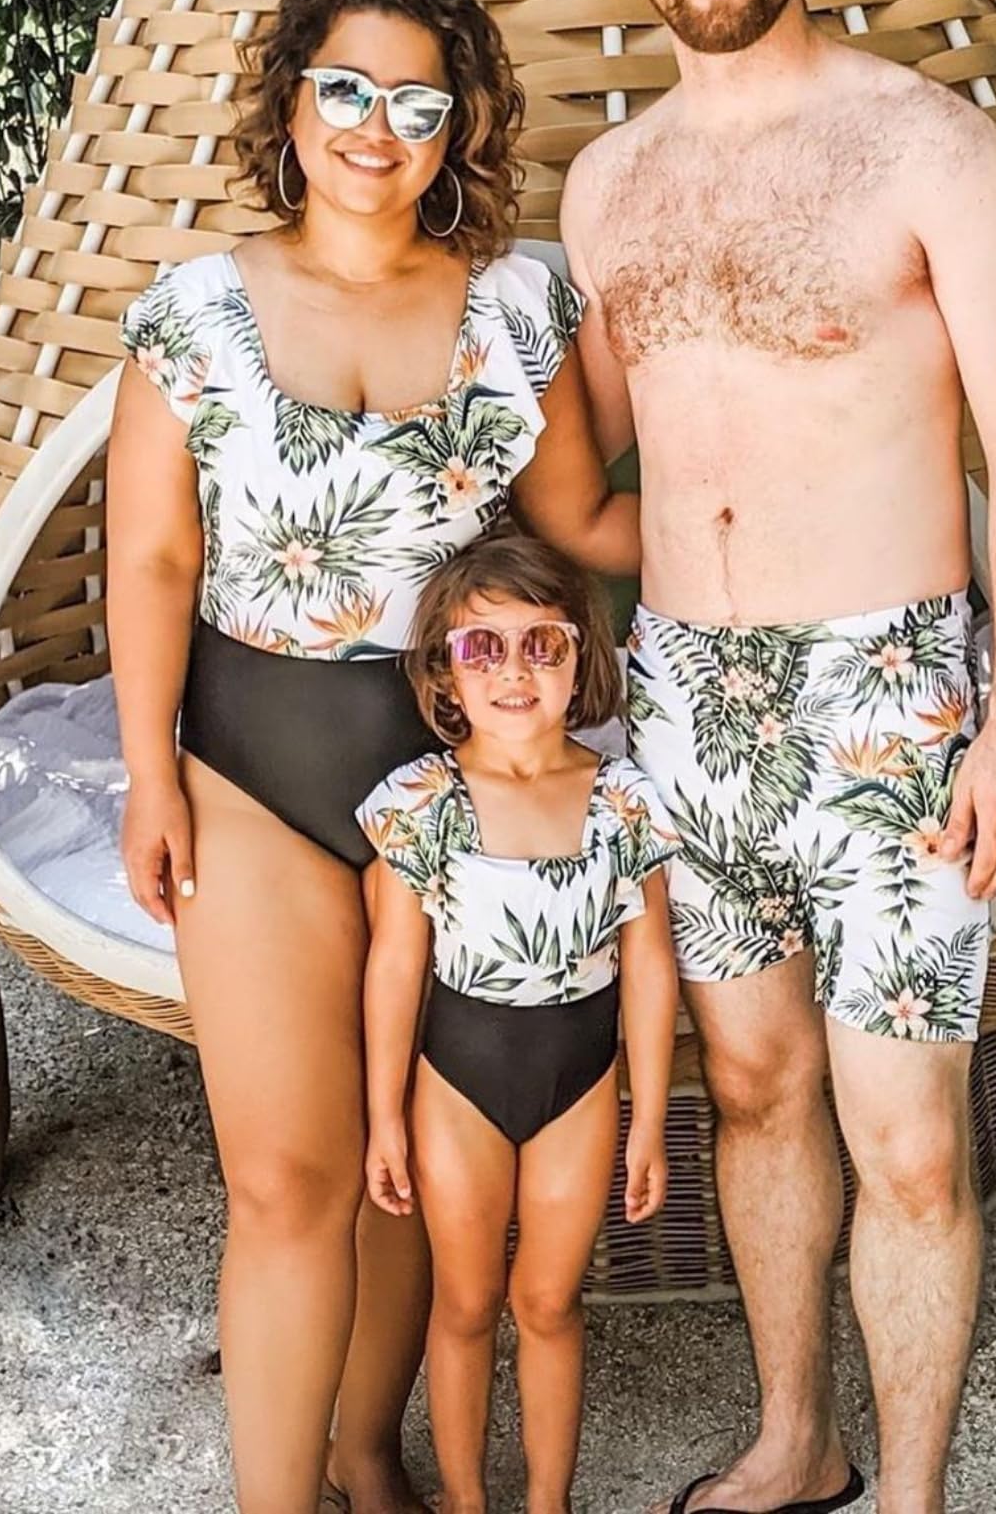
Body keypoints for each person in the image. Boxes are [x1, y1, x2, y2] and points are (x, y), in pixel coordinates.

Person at [559, 0, 996, 1514]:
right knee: (759, 1089)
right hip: (688, 698)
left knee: (911, 1137)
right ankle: (798, 1440)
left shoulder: (929, 146)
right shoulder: (607, 185)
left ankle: (910, 1499)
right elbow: (608, 459)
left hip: (886, 700)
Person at [106, 0, 636, 1514]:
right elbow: (152, 561)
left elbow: (582, 525)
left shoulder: (517, 305)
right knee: (291, 1175)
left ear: (457, 126)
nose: (373, 125)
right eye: (344, 86)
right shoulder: (195, 313)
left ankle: (364, 1451)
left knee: (405, 1158)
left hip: (451, 789)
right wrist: (147, 774)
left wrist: (774, 522)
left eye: (417, 100)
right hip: (250, 767)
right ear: (290, 102)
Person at [359, 535, 679, 1514]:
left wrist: (650, 1116)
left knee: (546, 1301)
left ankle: (548, 1501)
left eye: (542, 644)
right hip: (456, 1081)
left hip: (578, 1082)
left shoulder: (622, 800)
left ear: (582, 657)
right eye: (481, 647)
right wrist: (384, 1116)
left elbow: (648, 963)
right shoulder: (422, 804)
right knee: (463, 1303)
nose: (512, 671)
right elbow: (394, 966)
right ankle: (465, 1500)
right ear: (444, 672)